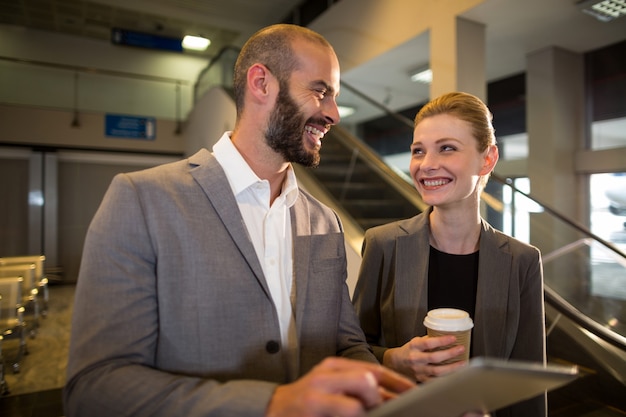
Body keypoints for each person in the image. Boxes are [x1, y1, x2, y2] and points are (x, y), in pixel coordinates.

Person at [63, 24, 416, 417]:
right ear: (261, 83)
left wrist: (396, 401)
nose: (333, 113)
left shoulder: (324, 221)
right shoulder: (142, 200)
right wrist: (271, 404)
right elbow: (95, 386)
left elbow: (347, 345)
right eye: (321, 92)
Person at [352, 92, 547, 417]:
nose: (426, 164)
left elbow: (527, 384)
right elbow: (350, 350)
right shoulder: (383, 244)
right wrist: (393, 360)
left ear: (487, 159)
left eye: (447, 148)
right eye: (418, 151)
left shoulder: (521, 261)